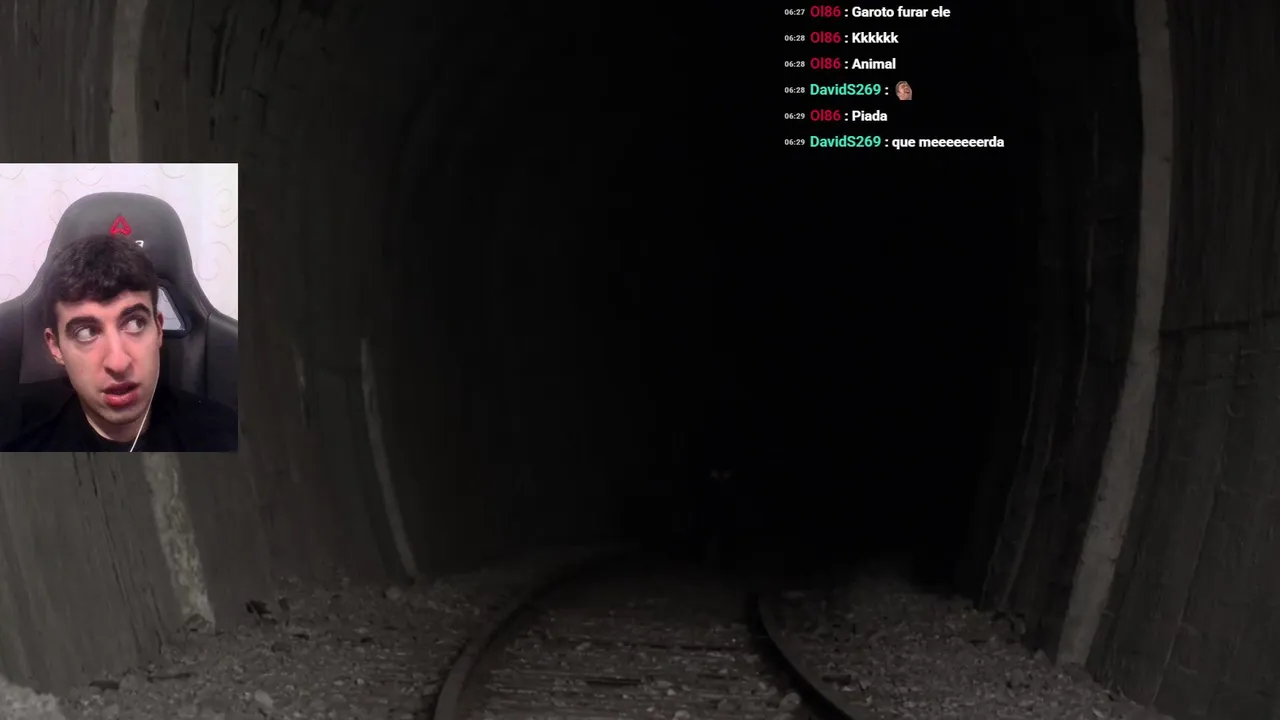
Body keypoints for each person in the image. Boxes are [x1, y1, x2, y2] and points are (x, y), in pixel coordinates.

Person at [1, 235, 237, 452]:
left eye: (135, 323)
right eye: (86, 332)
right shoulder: (19, 443)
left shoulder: (225, 437)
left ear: (158, 329)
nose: (118, 363)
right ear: (55, 347)